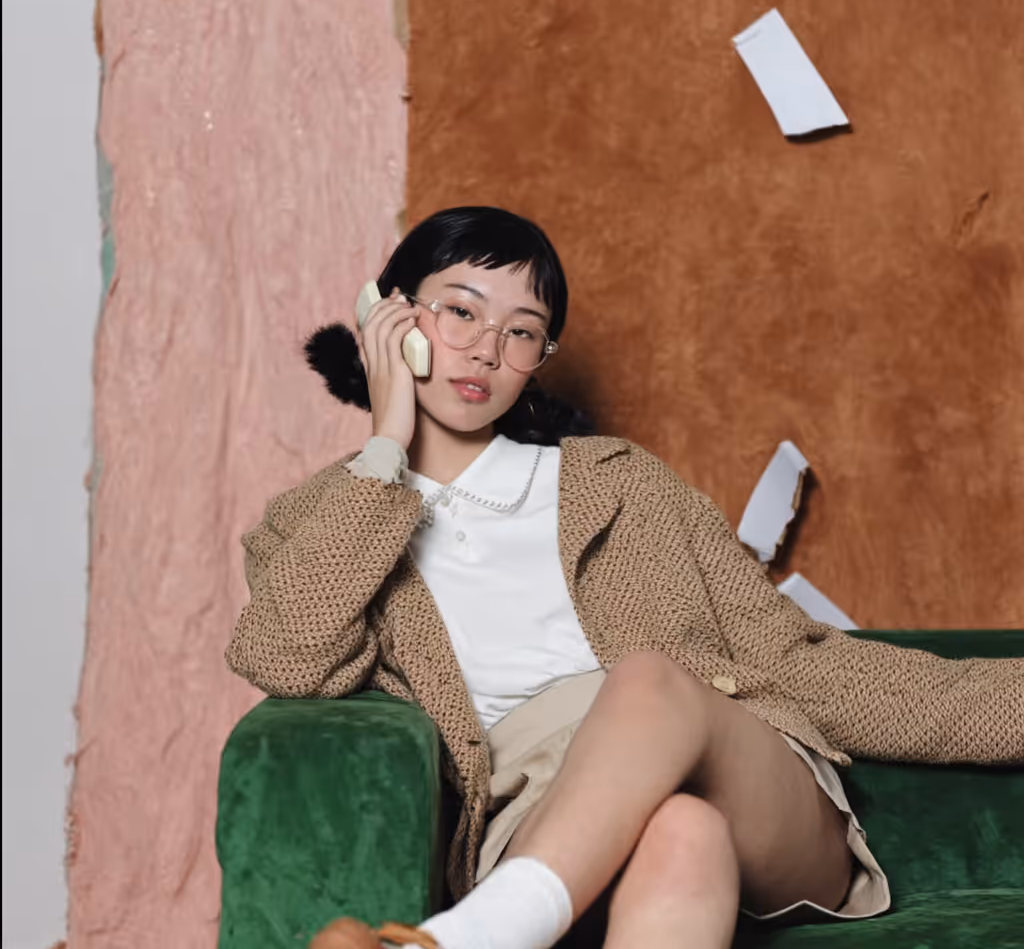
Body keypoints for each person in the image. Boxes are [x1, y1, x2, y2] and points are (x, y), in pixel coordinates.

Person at [226, 207, 1022, 949]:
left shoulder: (623, 484)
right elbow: (288, 656)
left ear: (540, 358)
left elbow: (797, 661)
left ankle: (469, 939)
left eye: (522, 331)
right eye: (461, 311)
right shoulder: (328, 516)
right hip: (541, 814)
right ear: (390, 315)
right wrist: (387, 443)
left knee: (645, 683)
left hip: (754, 791)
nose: (486, 350)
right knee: (683, 833)